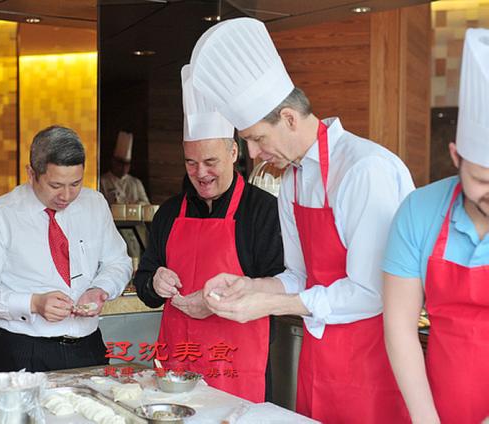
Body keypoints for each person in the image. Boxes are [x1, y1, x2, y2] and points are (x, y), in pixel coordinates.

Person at [192, 18, 415, 423]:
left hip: (373, 363)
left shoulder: (365, 170)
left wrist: (269, 305)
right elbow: (300, 275)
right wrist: (252, 286)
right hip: (318, 360)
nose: (255, 154)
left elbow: (372, 291)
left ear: (291, 119)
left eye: (258, 139)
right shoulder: (293, 178)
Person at [134, 65, 284, 402]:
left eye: (210, 161)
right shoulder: (170, 212)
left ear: (234, 152)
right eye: (190, 162)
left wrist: (216, 304)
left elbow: (280, 289)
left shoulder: (262, 211)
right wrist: (153, 281)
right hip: (177, 366)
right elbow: (145, 284)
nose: (200, 173)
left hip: (237, 367)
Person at [382, 28, 489, 424]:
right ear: (456, 156)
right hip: (438, 403)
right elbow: (400, 325)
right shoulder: (419, 212)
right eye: (482, 179)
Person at [0, 125, 132, 372]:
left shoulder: (95, 204)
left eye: (75, 184)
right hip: (21, 349)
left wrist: (100, 289)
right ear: (31, 173)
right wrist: (33, 304)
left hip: (88, 346)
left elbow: (118, 262)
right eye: (56, 185)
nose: (66, 196)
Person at [100, 131, 150, 205]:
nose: (124, 167)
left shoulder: (136, 183)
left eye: (127, 164)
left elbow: (147, 205)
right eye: (121, 163)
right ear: (113, 162)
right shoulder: (102, 181)